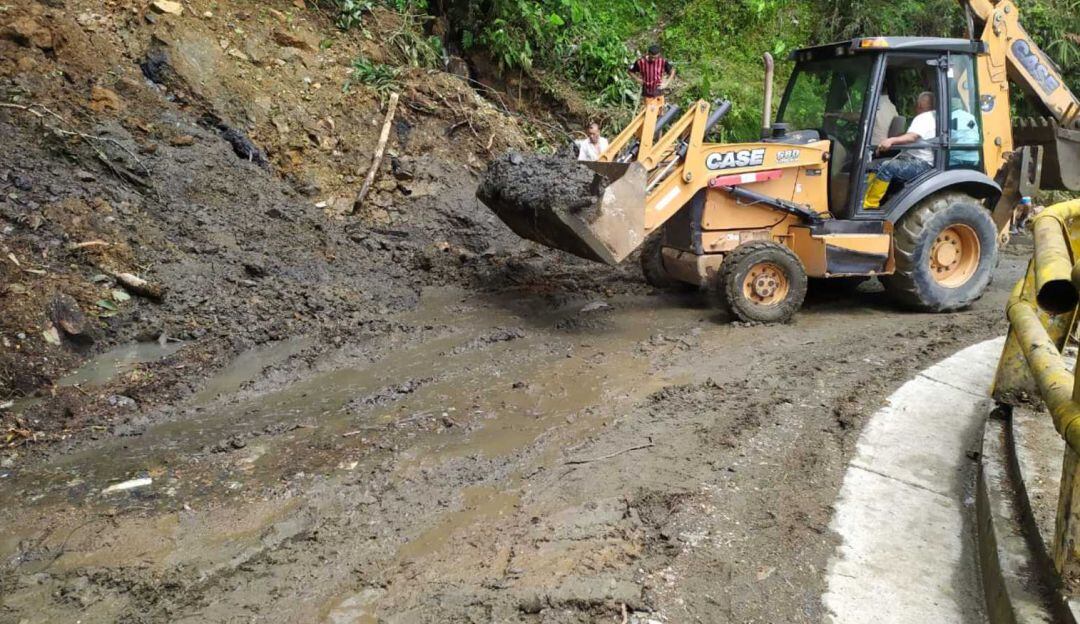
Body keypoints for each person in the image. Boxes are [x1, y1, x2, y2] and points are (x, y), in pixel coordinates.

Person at [863, 91, 937, 209]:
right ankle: (864, 198)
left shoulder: (924, 117)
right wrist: (897, 137)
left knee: (886, 167)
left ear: (919, 105)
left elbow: (912, 137)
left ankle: (869, 205)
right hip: (917, 161)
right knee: (877, 164)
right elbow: (914, 135)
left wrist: (891, 140)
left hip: (920, 164)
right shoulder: (934, 116)